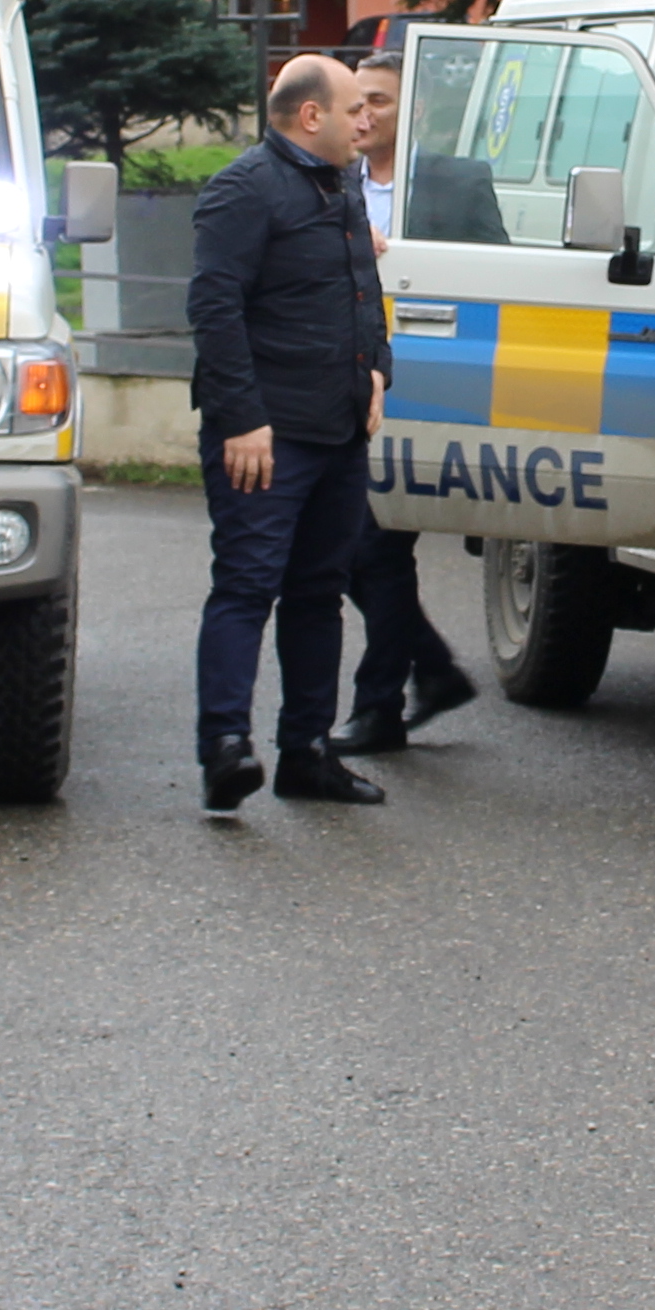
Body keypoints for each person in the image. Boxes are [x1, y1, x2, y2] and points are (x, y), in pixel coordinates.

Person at [187, 54, 391, 810]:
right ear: (311, 117)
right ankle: (224, 748)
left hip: (337, 430)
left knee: (318, 594)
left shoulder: (340, 187)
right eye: (354, 109)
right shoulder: (243, 190)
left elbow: (362, 294)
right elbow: (215, 310)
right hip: (267, 438)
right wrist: (242, 420)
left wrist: (377, 371)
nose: (366, 120)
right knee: (246, 586)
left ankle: (307, 751)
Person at [340, 41, 478, 751]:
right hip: (350, 387)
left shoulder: (456, 182)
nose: (363, 114)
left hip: (432, 382)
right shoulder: (331, 183)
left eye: (380, 101)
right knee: (355, 547)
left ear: (414, 108)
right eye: (356, 101)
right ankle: (430, 671)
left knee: (375, 544)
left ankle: (382, 706)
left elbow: (495, 267)